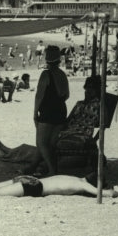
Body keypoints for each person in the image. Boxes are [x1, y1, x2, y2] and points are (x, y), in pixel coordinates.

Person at [33, 45, 69, 176]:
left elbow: (39, 95)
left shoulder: (45, 74)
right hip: (60, 110)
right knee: (51, 144)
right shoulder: (62, 74)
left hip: (48, 112)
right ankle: (48, 168)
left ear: (46, 59)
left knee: (41, 143)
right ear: (59, 60)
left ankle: (52, 170)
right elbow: (66, 95)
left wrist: (35, 113)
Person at [0, 174, 118, 200]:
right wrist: (115, 191)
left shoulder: (73, 176)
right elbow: (101, 193)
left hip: (29, 178)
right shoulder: (82, 184)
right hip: (33, 187)